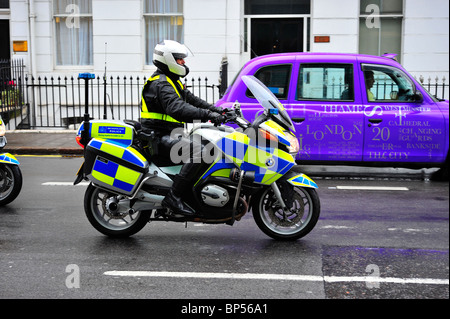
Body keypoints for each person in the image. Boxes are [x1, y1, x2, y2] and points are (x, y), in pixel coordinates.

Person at [141, 40, 226, 216]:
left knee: (210, 145)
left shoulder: (172, 81)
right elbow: (178, 109)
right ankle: (173, 197)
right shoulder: (161, 84)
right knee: (201, 151)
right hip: (159, 136)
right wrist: (209, 115)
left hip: (169, 133)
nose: (183, 63)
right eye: (180, 60)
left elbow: (191, 100)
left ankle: (193, 192)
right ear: (168, 60)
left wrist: (218, 110)